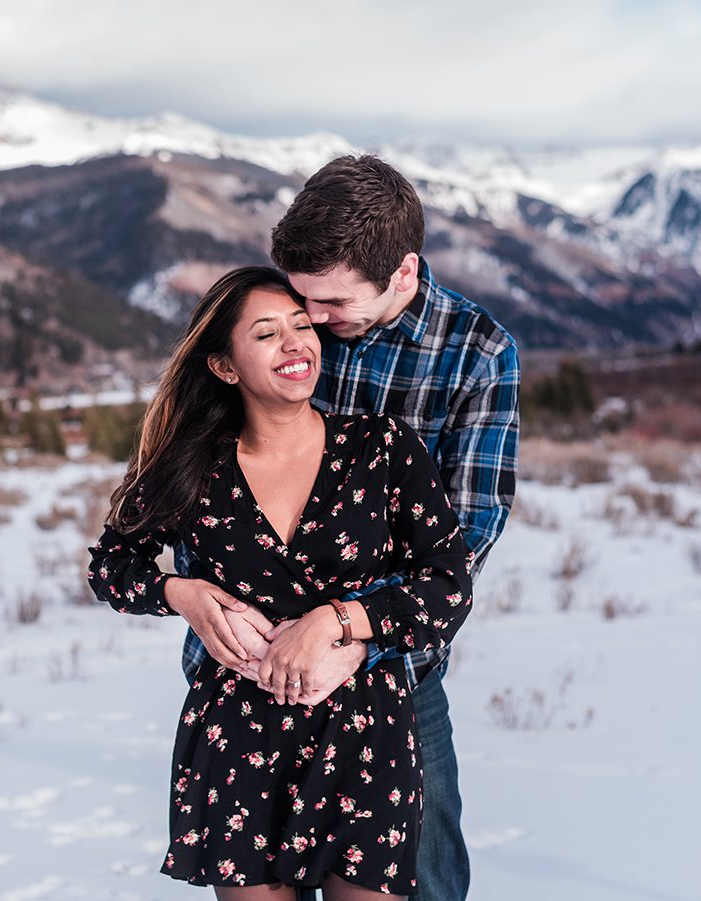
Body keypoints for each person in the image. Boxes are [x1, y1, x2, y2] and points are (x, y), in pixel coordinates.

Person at [173, 155, 520, 901]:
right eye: (300, 303)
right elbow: (201, 482)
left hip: (393, 673)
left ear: (402, 273)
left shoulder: (475, 354)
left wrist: (350, 636)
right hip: (251, 675)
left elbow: (464, 540)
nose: (311, 326)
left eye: (329, 304)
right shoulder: (279, 329)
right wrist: (199, 595)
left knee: (423, 878)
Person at [89, 266, 475, 899]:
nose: (297, 344)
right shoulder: (190, 466)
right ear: (224, 366)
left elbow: (447, 587)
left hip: (365, 734)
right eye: (267, 334)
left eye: (303, 325)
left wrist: (339, 620)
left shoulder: (381, 450)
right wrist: (179, 593)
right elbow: (111, 565)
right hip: (239, 738)